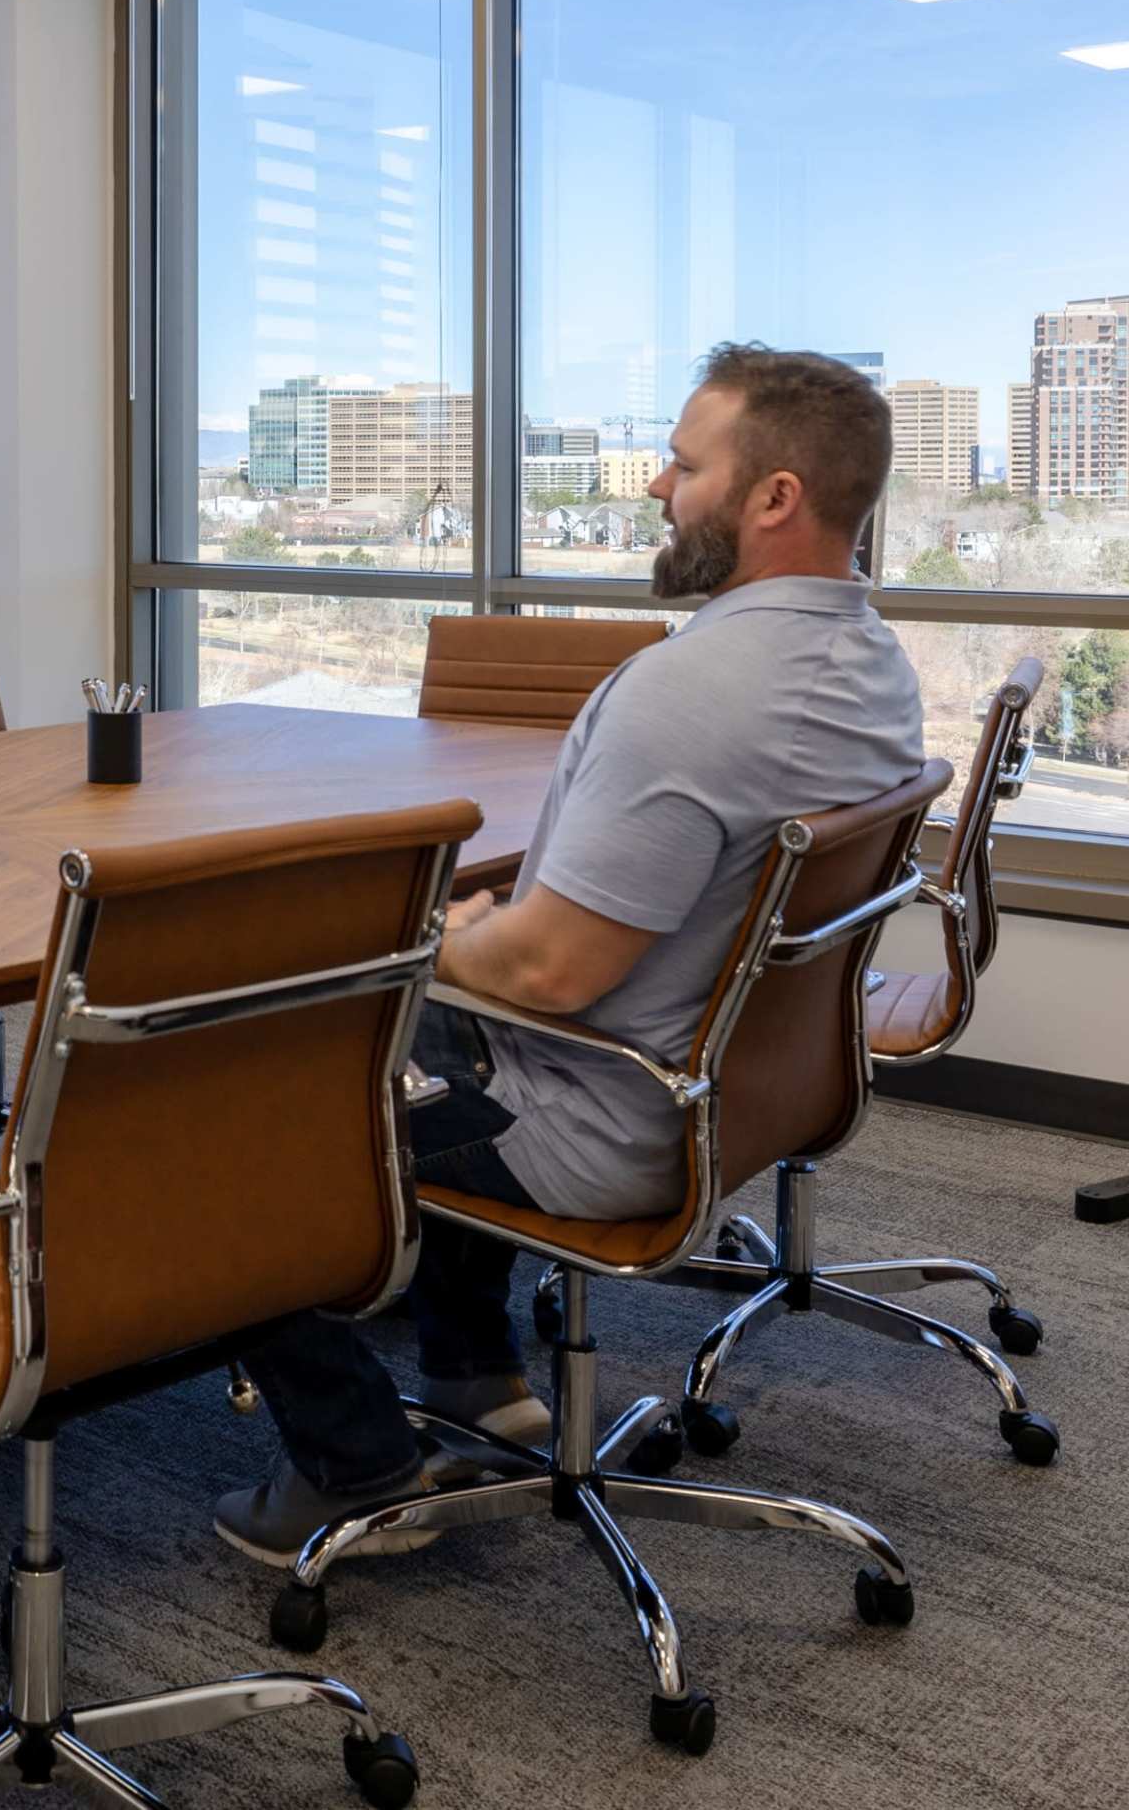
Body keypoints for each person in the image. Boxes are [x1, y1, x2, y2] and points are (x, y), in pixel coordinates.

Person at [212, 344, 930, 1566]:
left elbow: (547, 976)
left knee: (220, 1077)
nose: (657, 486)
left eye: (685, 463)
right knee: (422, 1025)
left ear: (774, 499)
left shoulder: (690, 693)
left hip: (600, 1112)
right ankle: (475, 1372)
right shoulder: (872, 667)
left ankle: (355, 1467)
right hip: (718, 1093)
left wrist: (426, 945)